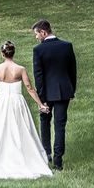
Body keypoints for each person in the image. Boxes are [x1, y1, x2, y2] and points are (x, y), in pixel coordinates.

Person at [0, 41, 53, 181]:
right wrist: (41, 104)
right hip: (17, 102)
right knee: (21, 129)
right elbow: (30, 88)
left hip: (2, 102)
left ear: (2, 54)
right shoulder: (20, 69)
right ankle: (23, 157)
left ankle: (1, 156)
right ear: (13, 53)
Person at [32, 19, 77, 171]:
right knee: (60, 125)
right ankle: (58, 160)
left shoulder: (39, 50)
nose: (36, 38)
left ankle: (46, 154)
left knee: (45, 122)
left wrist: (41, 99)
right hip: (64, 92)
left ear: (43, 32)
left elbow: (38, 76)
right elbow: (73, 72)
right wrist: (72, 90)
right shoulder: (67, 46)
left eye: (37, 34)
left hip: (46, 94)